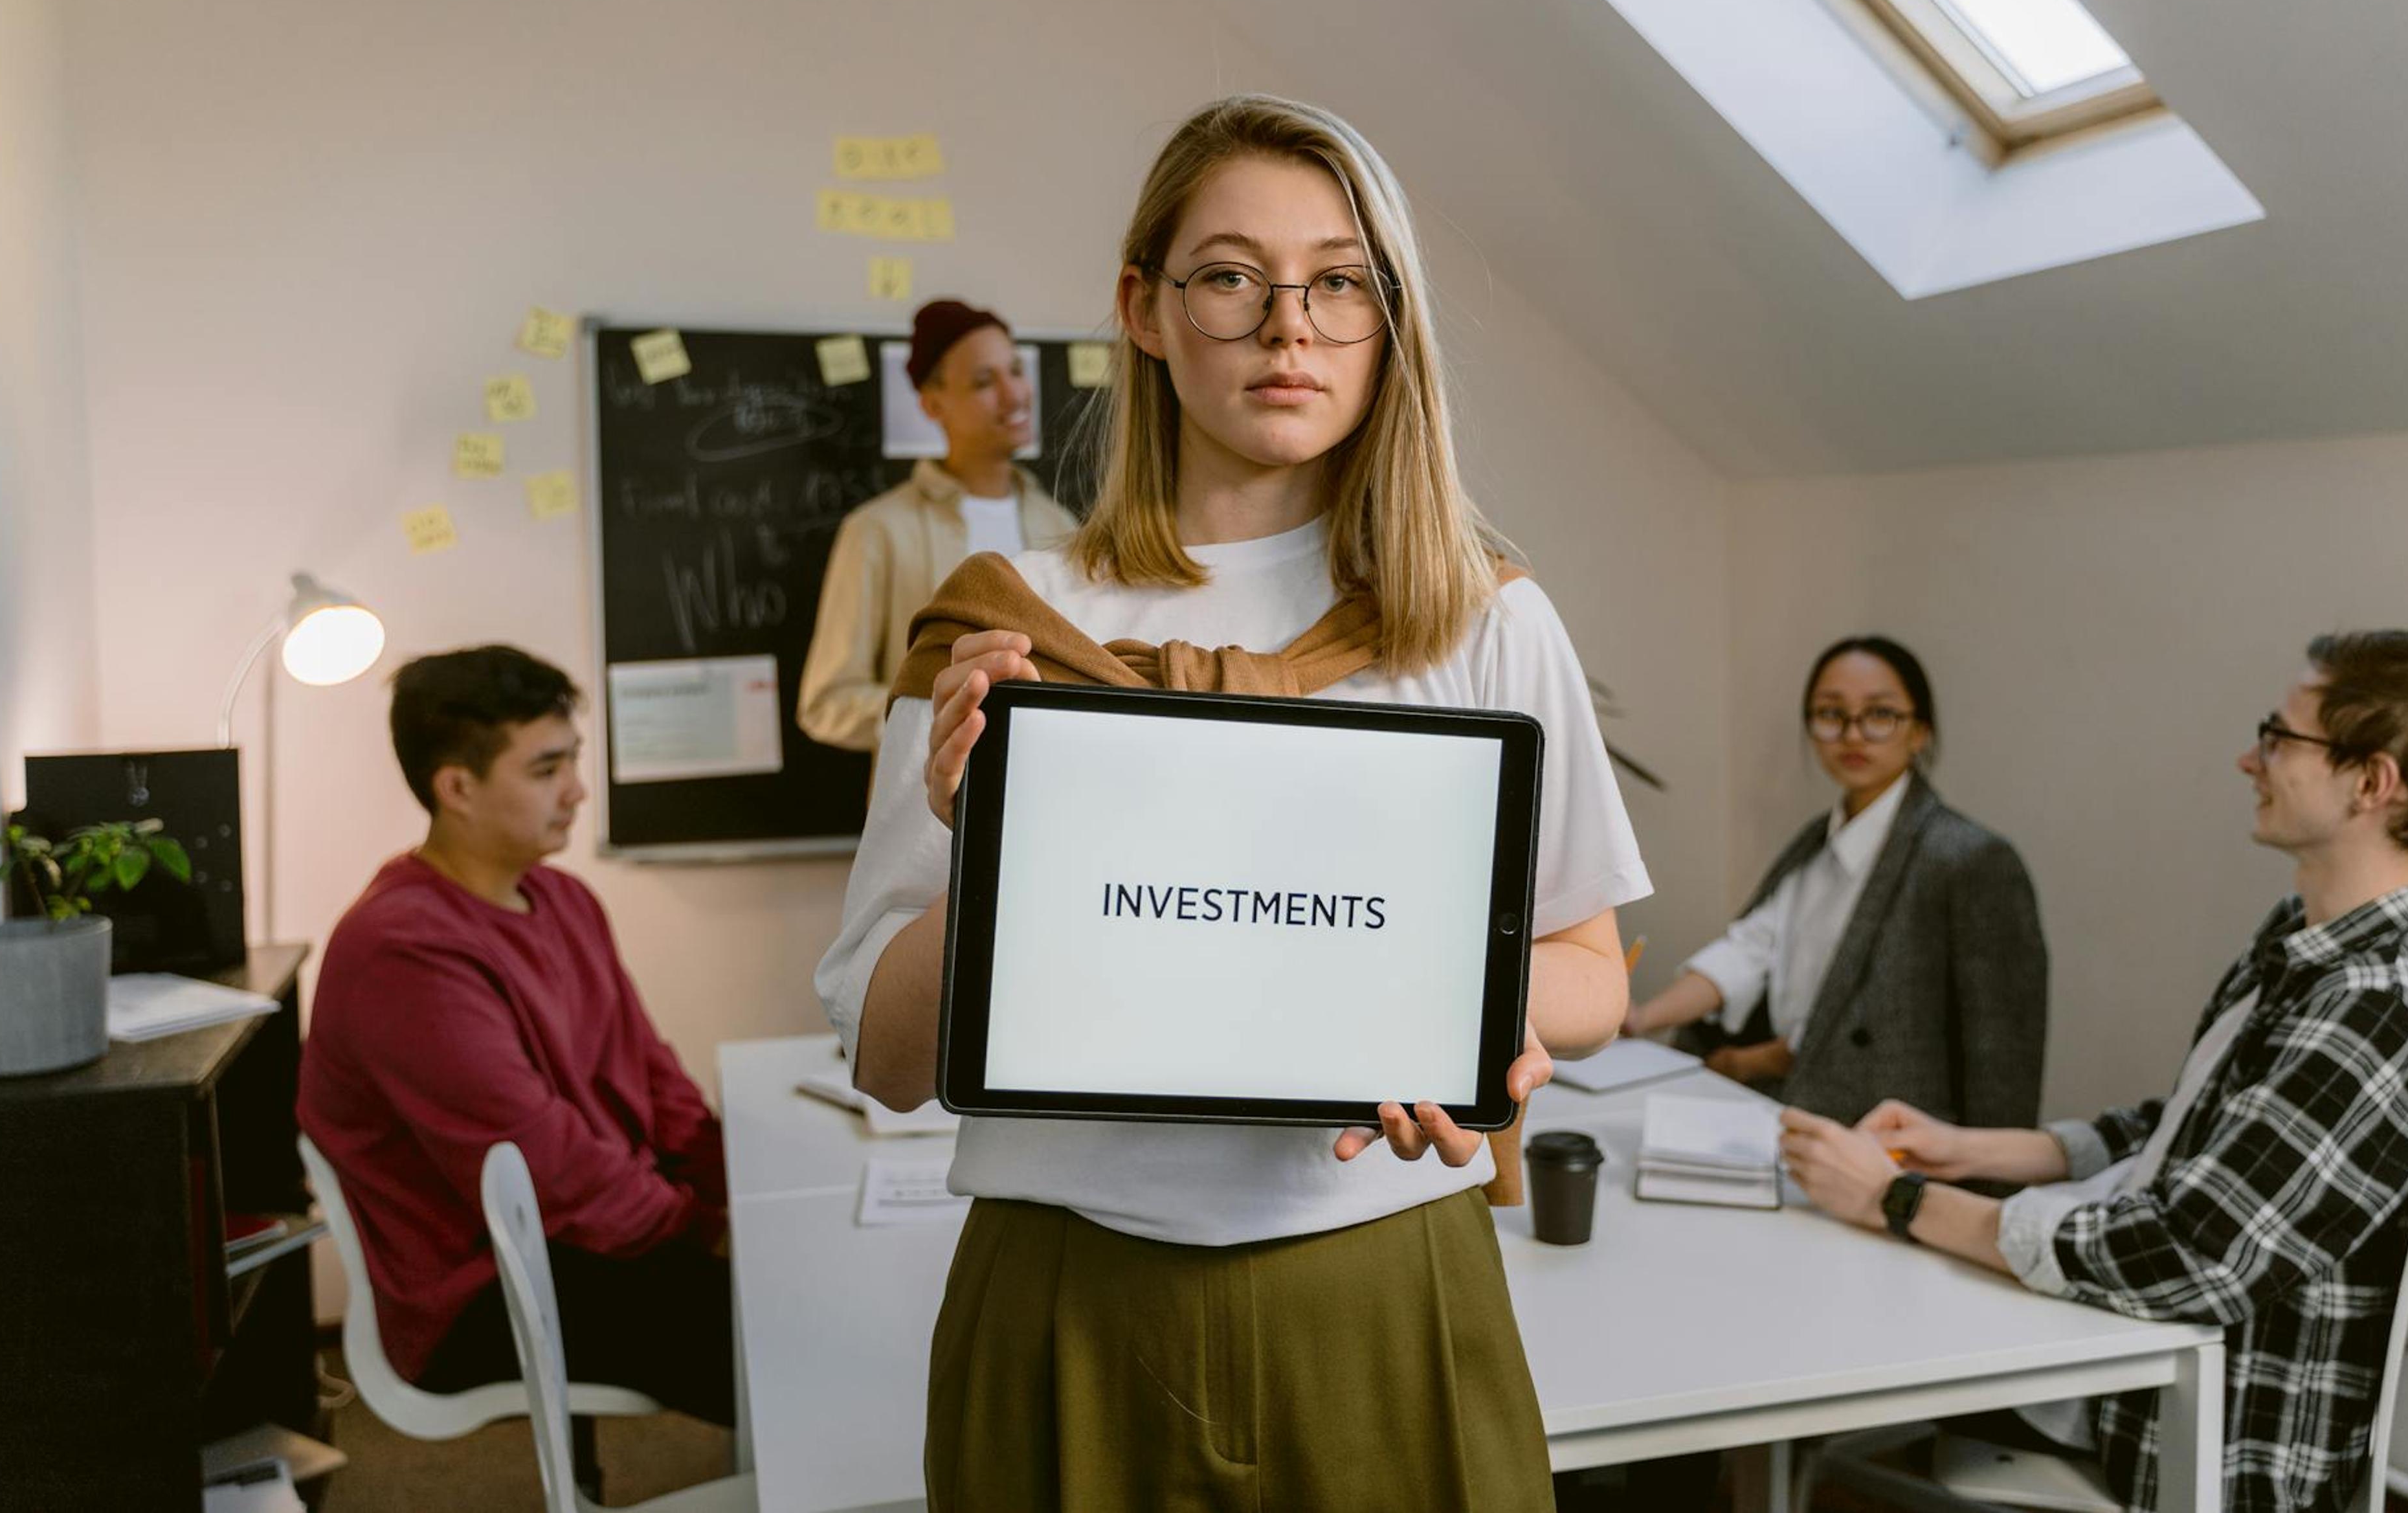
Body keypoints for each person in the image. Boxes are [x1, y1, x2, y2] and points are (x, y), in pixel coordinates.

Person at [814, 94, 1648, 1512]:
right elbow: (884, 1056)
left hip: (1387, 1281)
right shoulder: (1006, 629)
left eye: (1339, 279)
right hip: (1066, 1287)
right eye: (1230, 276)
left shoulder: (1483, 620)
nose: (1290, 327)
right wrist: (995, 844)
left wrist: (1467, 1013)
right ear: (1143, 306)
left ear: (1392, 318)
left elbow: (1590, 975)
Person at [1782, 624, 2408, 1513]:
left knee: (1825, 1357)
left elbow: (2185, 1253)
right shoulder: (2308, 940)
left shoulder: (2381, 1003)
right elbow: (2193, 1121)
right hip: (2127, 1364)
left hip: (2191, 1432)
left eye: (2279, 737)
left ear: (2373, 781)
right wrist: (1971, 1147)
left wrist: (1896, 1199)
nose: (2247, 759)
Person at [298, 645, 734, 1427]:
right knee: (788, 1330)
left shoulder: (563, 899)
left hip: (583, 1237)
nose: (577, 792)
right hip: (490, 1286)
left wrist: (740, 1190)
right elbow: (543, 1171)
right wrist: (704, 1233)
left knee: (800, 1280)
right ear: (457, 787)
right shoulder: (401, 951)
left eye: (572, 762)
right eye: (545, 771)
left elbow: (655, 1079)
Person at [1623, 636, 2047, 1128]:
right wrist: (1641, 1018)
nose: (1853, 734)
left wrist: (1989, 1187)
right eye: (1831, 714)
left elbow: (2002, 1060)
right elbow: (1746, 952)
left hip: (1898, 1142)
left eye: (1880, 714)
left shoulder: (1971, 859)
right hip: (1794, 1118)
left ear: (1920, 731)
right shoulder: (1815, 844)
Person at [796, 298, 1078, 752]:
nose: (1013, 394)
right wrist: (938, 711)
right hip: (918, 808)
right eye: (985, 381)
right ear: (933, 404)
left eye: (1016, 372)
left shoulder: (1060, 526)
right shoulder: (878, 530)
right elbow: (827, 702)